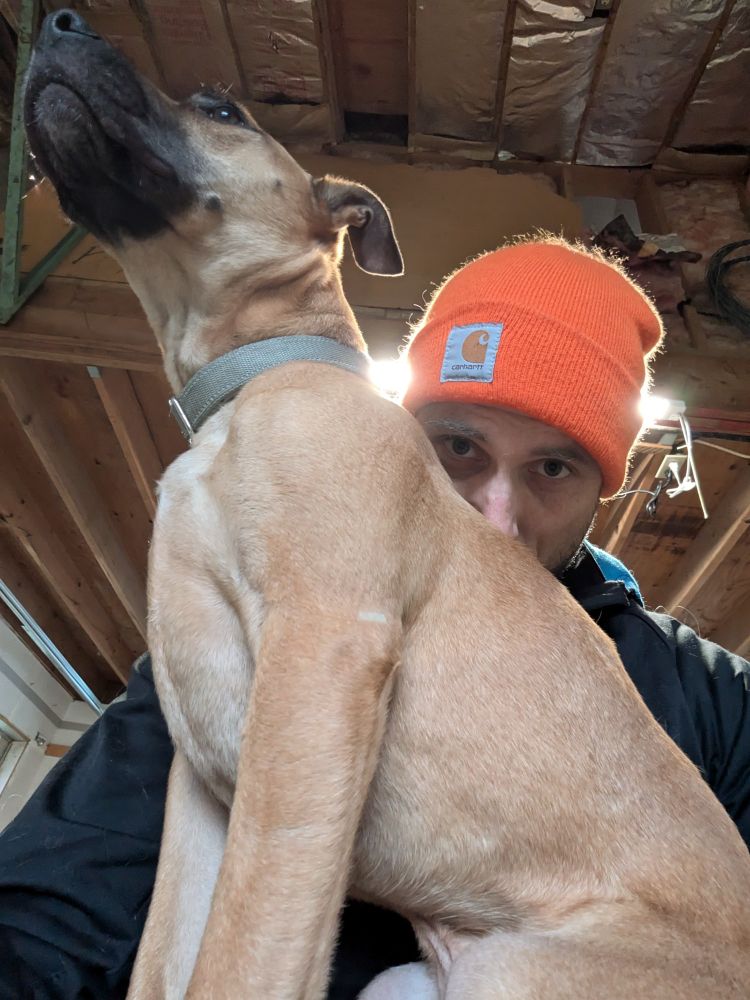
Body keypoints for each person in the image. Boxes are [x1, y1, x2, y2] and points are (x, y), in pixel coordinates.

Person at [1, 238, 748, 1000]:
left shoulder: (714, 699)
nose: (498, 519)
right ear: (400, 445)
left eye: (552, 468)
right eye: (458, 447)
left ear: (603, 490)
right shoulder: (257, 627)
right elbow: (58, 902)